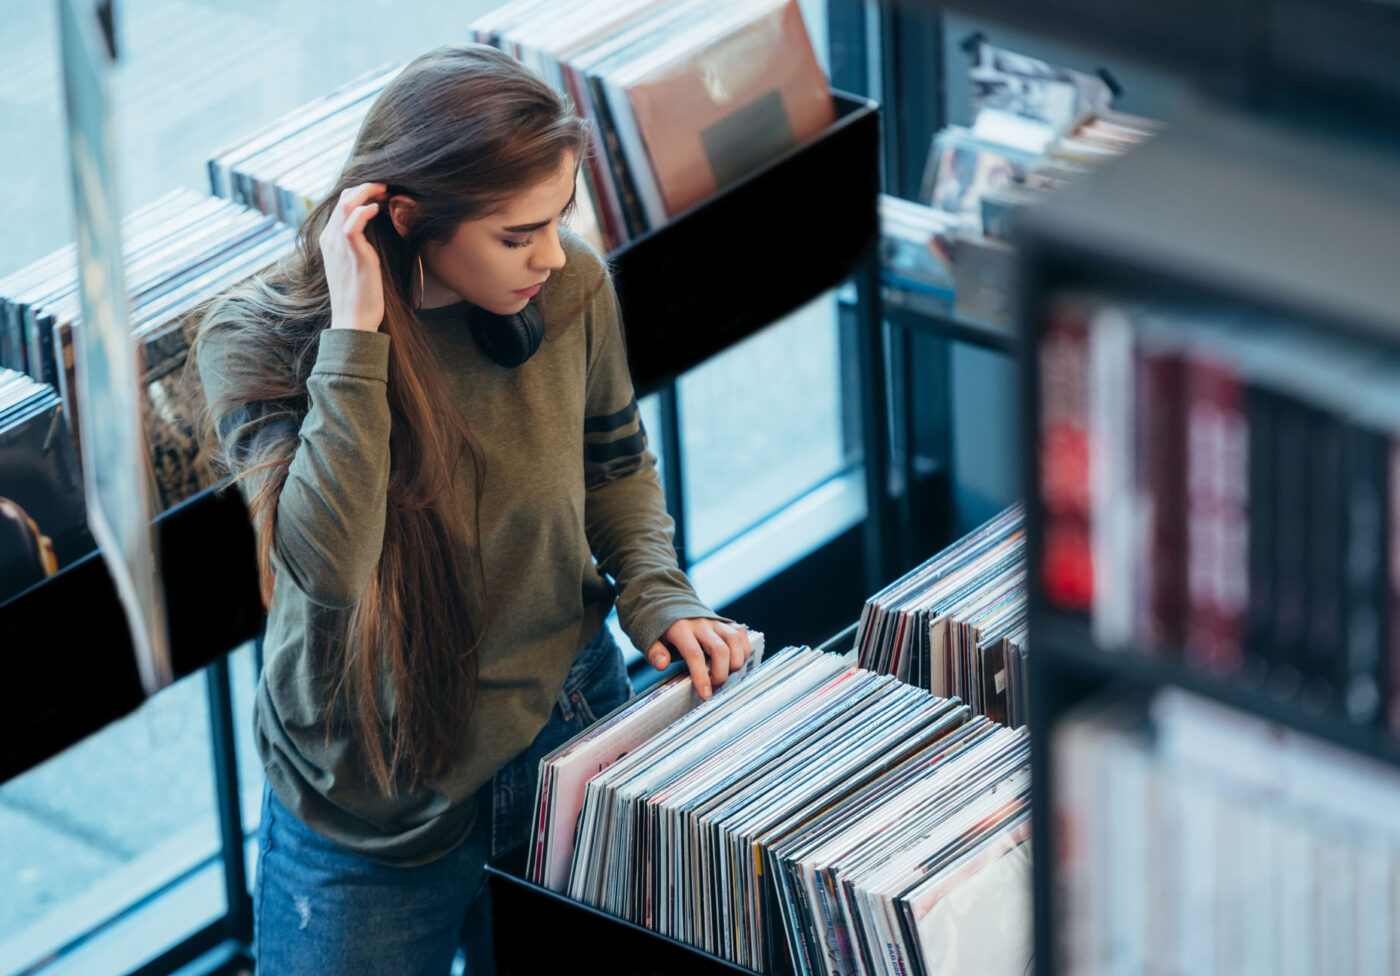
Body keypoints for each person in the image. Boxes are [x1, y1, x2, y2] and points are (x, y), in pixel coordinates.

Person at [193, 43, 751, 976]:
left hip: (566, 734)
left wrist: (659, 591)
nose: (550, 254)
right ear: (407, 218)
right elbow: (328, 569)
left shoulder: (572, 287)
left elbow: (612, 463)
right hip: (366, 795)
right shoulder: (255, 341)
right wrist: (354, 337)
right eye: (515, 234)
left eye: (557, 219)